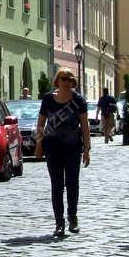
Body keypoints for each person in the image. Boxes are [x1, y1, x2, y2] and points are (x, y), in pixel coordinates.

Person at [34, 69, 91, 238]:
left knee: (72, 182)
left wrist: (87, 149)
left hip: (73, 146)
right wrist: (39, 144)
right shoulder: (48, 99)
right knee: (56, 184)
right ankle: (59, 222)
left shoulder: (78, 100)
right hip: (52, 146)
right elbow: (41, 123)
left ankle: (72, 217)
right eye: (63, 78)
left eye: (69, 79)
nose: (66, 81)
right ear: (57, 80)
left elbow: (85, 125)